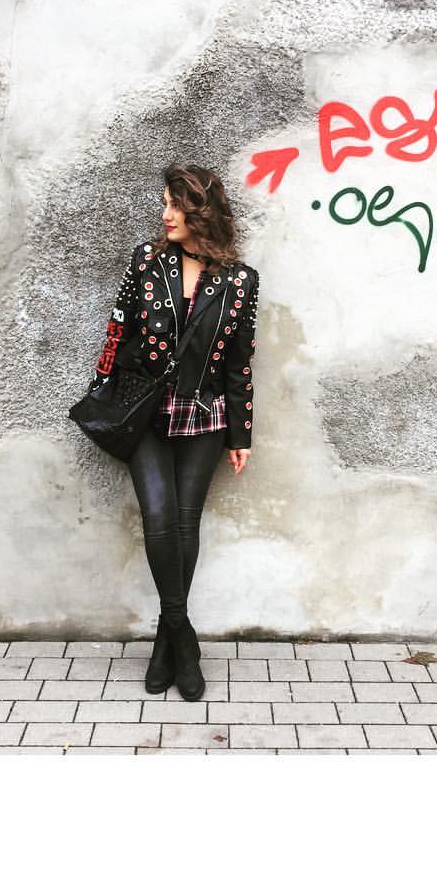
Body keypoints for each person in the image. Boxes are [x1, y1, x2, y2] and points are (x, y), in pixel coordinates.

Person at [88, 161, 260, 701]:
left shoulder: (241, 281)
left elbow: (239, 362)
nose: (165, 214)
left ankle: (167, 641)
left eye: (175, 205)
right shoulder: (145, 261)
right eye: (165, 203)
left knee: (186, 524)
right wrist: (106, 393)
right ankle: (184, 637)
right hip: (145, 410)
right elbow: (117, 330)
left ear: (200, 213)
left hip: (204, 413)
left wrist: (240, 433)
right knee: (159, 518)